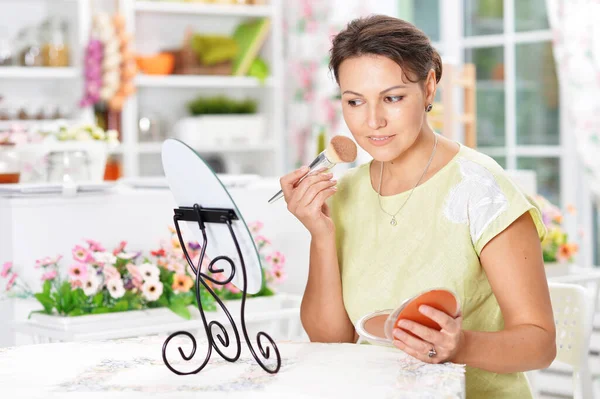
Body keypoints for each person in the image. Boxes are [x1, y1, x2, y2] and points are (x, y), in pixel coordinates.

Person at [278, 15, 556, 399]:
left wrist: (459, 347)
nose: (373, 121)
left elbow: (539, 344)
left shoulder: (482, 191)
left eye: (392, 98)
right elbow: (331, 340)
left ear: (428, 88)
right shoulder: (344, 193)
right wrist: (321, 234)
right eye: (355, 101)